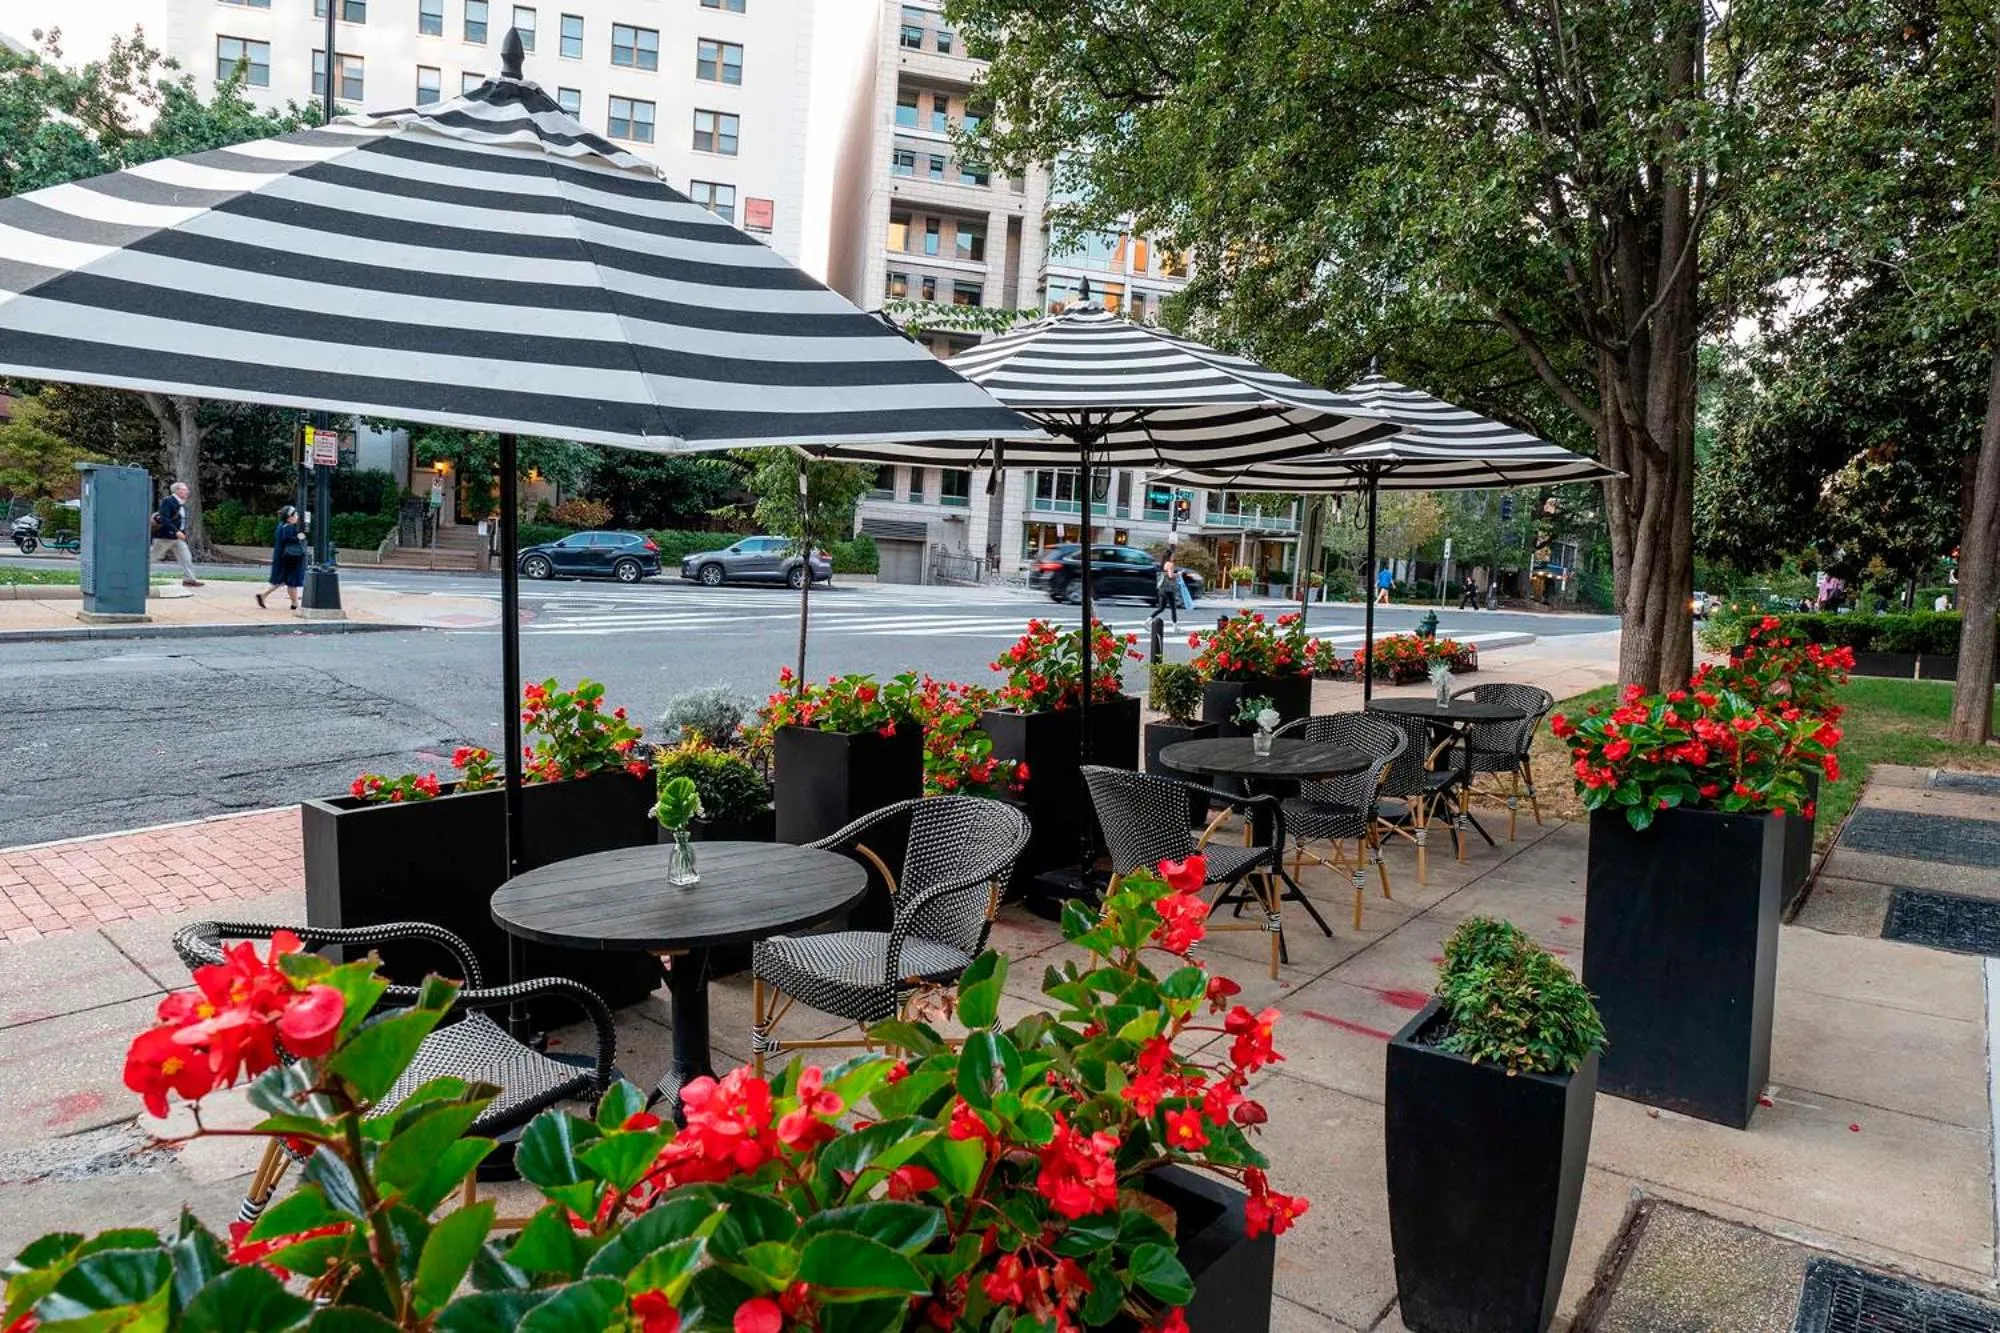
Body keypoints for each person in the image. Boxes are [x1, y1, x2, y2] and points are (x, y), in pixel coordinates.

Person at [150, 481, 204, 587]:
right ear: (177, 490)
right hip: (165, 536)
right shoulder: (168, 501)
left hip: (177, 538)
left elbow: (180, 521)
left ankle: (189, 579)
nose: (187, 492)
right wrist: (176, 531)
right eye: (184, 490)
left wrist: (180, 532)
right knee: (153, 557)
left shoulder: (181, 504)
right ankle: (138, 575)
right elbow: (164, 518)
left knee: (186, 557)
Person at [256, 506, 307, 610]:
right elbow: (293, 539)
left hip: (284, 558)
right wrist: (301, 535)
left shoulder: (282, 526)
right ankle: (294, 604)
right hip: (289, 559)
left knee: (282, 580)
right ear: (289, 517)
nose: (297, 517)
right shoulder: (289, 527)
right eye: (295, 515)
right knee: (291, 581)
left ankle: (293, 603)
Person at [1150, 557, 1189, 626]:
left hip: (1162, 588)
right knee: (1173, 607)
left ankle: (1148, 620)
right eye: (1172, 556)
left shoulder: (1163, 564)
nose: (1173, 557)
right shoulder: (1170, 564)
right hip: (1168, 589)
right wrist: (1178, 574)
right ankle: (1175, 626)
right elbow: (1170, 576)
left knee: (1161, 608)